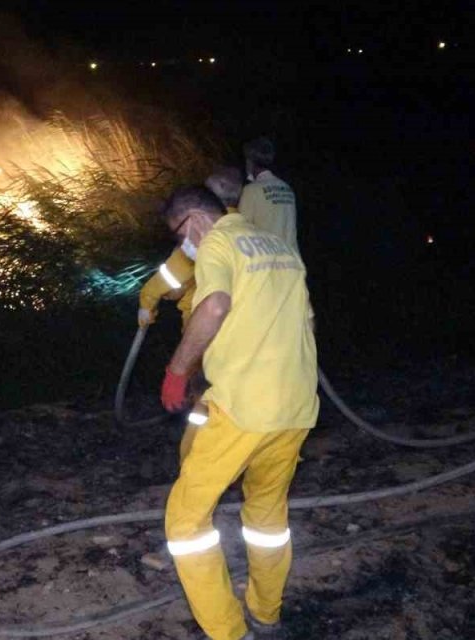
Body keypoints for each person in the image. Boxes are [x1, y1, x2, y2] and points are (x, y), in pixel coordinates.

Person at [157, 186, 318, 640]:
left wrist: (177, 370)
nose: (181, 246)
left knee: (186, 521)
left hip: (244, 408)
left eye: (178, 235)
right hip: (297, 405)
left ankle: (229, 632)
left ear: (191, 221)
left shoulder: (218, 243)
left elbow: (215, 305)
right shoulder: (280, 246)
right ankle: (266, 615)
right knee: (267, 517)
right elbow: (307, 320)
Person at [137, 167, 244, 330]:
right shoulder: (245, 225)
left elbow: (175, 271)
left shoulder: (204, 235)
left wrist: (147, 301)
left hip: (201, 321)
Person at [238, 136, 298, 254]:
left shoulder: (251, 190)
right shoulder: (287, 188)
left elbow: (241, 229)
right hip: (292, 260)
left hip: (268, 262)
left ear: (250, 162)